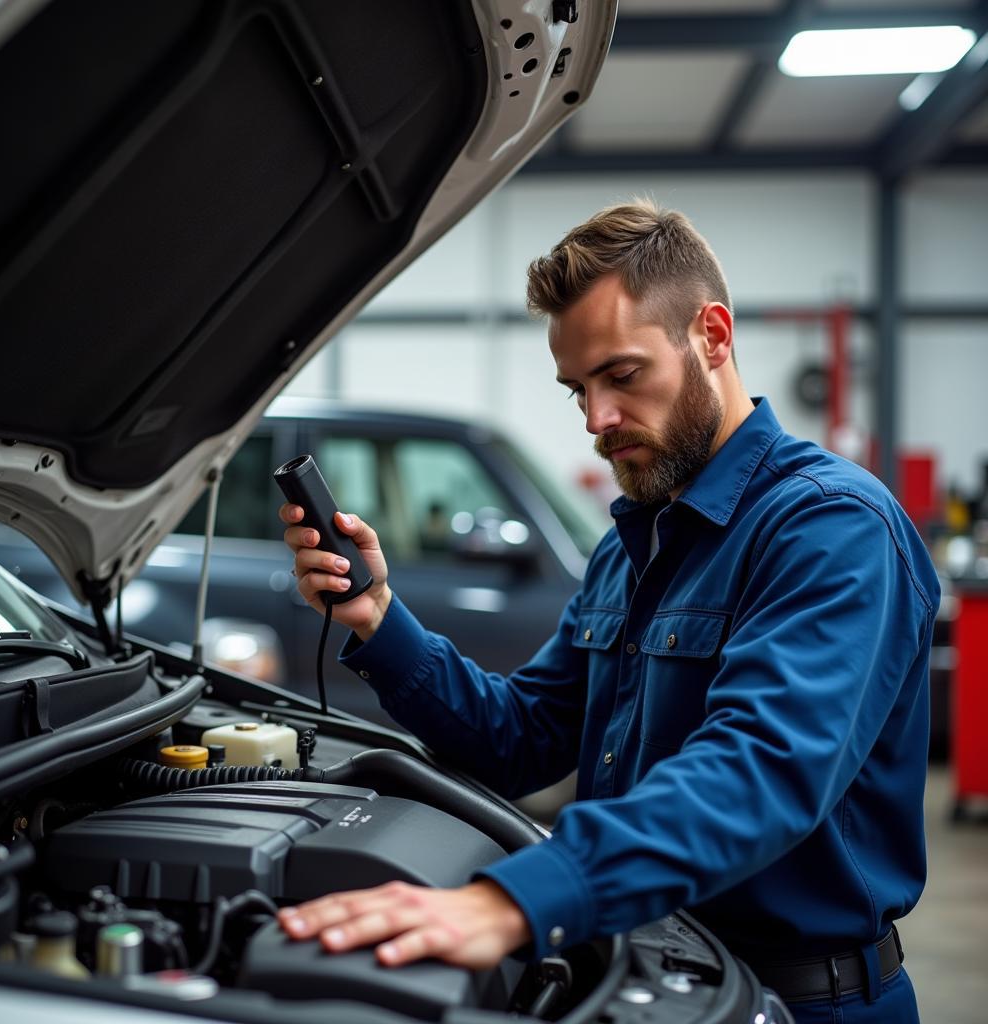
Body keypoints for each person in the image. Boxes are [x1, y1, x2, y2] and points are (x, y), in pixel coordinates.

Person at [276, 200, 940, 1023]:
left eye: (622, 376)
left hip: (804, 1003)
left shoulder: (831, 527)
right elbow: (521, 739)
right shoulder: (632, 544)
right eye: (577, 390)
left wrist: (516, 901)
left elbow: (759, 771)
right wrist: (379, 617)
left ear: (713, 337)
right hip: (647, 979)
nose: (597, 421)